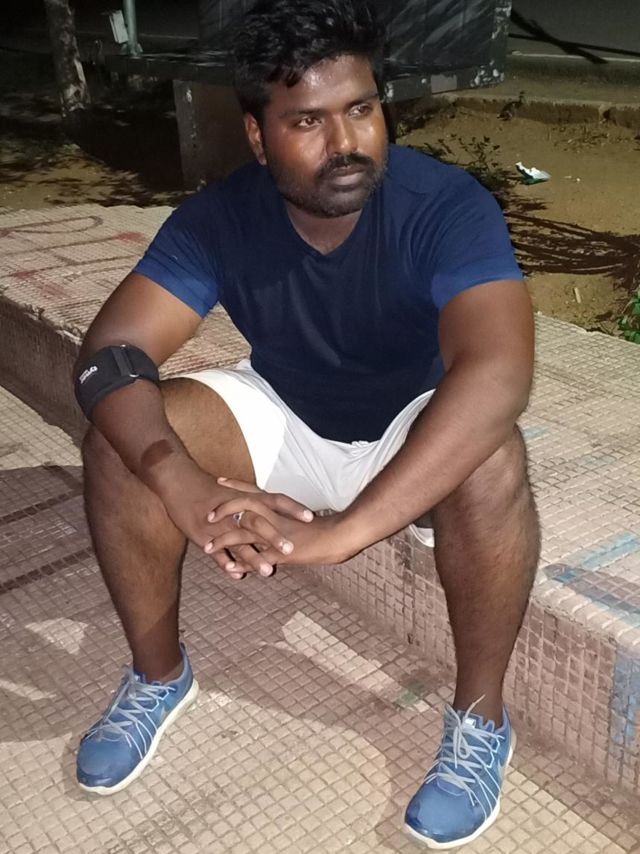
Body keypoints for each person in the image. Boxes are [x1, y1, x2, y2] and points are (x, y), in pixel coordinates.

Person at [73, 0, 540, 847]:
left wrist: (345, 533)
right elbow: (110, 355)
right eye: (307, 121)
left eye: (361, 108)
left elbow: (499, 372)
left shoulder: (445, 204)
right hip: (286, 412)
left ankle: (481, 721)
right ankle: (158, 675)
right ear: (258, 136)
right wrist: (181, 484)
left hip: (415, 423)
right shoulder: (221, 218)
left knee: (492, 456)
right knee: (122, 438)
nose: (347, 141)